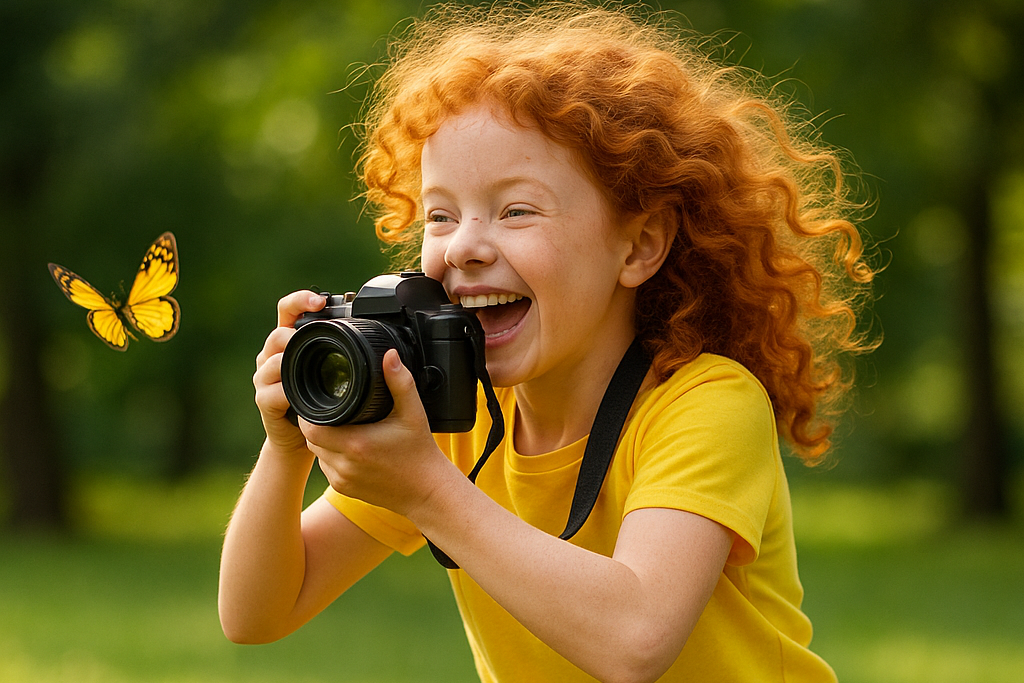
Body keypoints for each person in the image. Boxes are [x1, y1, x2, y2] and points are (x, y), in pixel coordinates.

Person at [218, 2, 875, 682]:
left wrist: (429, 491)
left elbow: (636, 638)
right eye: (441, 213)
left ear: (639, 243)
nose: (466, 244)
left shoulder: (707, 404)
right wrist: (287, 448)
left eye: (516, 210)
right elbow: (256, 613)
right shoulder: (451, 424)